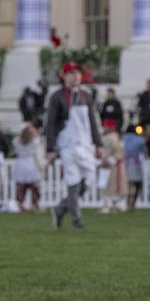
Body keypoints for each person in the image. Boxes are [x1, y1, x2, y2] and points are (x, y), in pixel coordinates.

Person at [42, 61, 102, 230]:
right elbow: (51, 124)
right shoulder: (57, 97)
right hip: (67, 144)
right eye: (72, 73)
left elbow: (92, 122)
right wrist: (51, 148)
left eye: (78, 73)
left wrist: (98, 144)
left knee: (89, 178)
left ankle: (61, 208)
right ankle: (77, 221)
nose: (76, 76)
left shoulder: (86, 96)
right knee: (72, 179)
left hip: (85, 144)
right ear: (64, 75)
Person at [12, 123, 44, 212]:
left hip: (20, 163)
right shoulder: (34, 141)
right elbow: (38, 138)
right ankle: (36, 204)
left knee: (20, 186)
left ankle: (20, 204)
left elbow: (15, 141)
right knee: (34, 186)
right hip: (31, 163)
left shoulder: (16, 141)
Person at [122, 124, 146, 210]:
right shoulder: (139, 139)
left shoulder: (123, 138)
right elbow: (144, 150)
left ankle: (127, 203)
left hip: (124, 163)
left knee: (127, 184)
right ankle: (132, 203)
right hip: (135, 163)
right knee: (134, 184)